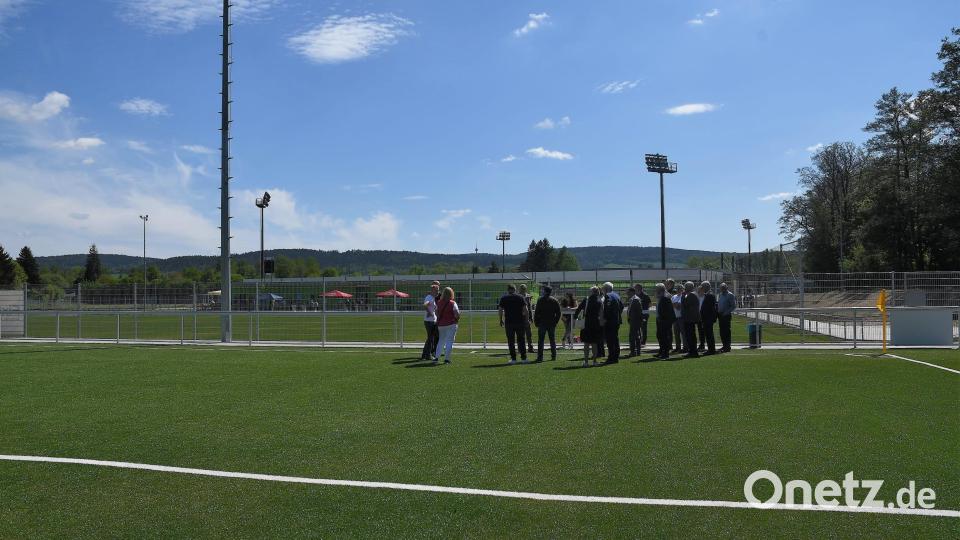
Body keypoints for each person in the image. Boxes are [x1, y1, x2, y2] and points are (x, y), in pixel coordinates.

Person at [498, 284, 529, 364]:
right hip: (520, 322)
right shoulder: (520, 297)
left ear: (508, 290)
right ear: (515, 289)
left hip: (509, 322)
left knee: (511, 341)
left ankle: (513, 359)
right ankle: (524, 358)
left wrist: (501, 320)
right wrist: (526, 320)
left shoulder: (504, 298)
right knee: (521, 340)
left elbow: (500, 310)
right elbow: (526, 310)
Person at [574, 286, 603, 366]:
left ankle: (586, 362)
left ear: (591, 292)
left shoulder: (586, 299)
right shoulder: (600, 300)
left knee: (586, 343)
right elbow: (601, 313)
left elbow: (578, 309)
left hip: (586, 323)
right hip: (596, 323)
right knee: (594, 343)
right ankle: (594, 361)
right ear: (597, 292)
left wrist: (575, 318)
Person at [533, 285, 562, 362]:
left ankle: (540, 357)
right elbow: (558, 313)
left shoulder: (540, 300)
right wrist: (555, 321)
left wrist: (536, 322)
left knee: (541, 341)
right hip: (551, 323)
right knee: (552, 340)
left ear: (545, 291)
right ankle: (553, 356)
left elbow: (536, 313)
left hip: (542, 323)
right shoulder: (554, 301)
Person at [434, 287, 460, 364]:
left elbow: (436, 313)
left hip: (441, 324)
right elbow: (456, 314)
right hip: (451, 324)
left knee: (441, 341)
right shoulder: (453, 303)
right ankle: (446, 359)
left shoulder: (439, 302)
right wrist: (457, 318)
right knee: (449, 342)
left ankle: (436, 357)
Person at [601, 282, 622, 364]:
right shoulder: (617, 295)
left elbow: (607, 309)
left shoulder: (608, 296)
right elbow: (621, 306)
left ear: (606, 289)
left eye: (603, 289)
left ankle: (611, 357)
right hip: (617, 320)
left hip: (610, 322)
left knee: (610, 340)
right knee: (615, 339)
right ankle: (616, 357)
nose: (602, 290)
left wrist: (605, 318)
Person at [654, 283, 676, 359]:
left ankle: (665, 353)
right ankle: (661, 351)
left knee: (664, 337)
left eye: (656, 288)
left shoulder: (665, 297)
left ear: (660, 289)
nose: (655, 290)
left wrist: (663, 319)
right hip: (660, 319)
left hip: (665, 320)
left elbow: (667, 311)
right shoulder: (660, 297)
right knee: (660, 336)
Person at [681, 281, 702, 358]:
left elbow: (685, 304)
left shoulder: (691, 295)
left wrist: (683, 295)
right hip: (689, 318)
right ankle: (691, 351)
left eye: (685, 287)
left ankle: (693, 351)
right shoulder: (692, 294)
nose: (684, 289)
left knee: (690, 336)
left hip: (690, 319)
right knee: (690, 335)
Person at [420, 282, 440, 361]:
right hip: (429, 321)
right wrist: (430, 313)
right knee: (431, 339)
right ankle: (427, 355)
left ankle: (425, 355)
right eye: (436, 290)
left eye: (438, 290)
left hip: (431, 320)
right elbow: (425, 305)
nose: (438, 292)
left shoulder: (432, 297)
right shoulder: (429, 297)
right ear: (432, 290)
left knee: (430, 338)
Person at [699, 281, 718, 355]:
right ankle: (711, 349)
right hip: (707, 318)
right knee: (708, 334)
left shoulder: (709, 295)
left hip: (708, 318)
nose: (701, 288)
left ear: (705, 287)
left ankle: (711, 349)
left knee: (709, 334)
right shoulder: (708, 295)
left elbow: (708, 309)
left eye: (702, 287)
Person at [717, 282, 736, 353]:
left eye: (723, 288)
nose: (722, 289)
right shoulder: (720, 295)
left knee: (727, 332)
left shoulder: (730, 295)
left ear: (726, 288)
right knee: (722, 331)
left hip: (726, 316)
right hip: (720, 315)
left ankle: (727, 346)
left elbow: (733, 306)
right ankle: (724, 345)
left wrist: (725, 313)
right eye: (721, 288)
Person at [626, 287, 643, 357]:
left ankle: (634, 352)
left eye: (628, 292)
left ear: (632, 292)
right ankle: (636, 351)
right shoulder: (632, 299)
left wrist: (638, 321)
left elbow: (639, 311)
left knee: (633, 337)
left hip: (635, 321)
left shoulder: (635, 299)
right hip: (633, 321)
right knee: (636, 336)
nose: (627, 294)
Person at [518, 284, 535, 354]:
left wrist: (531, 317)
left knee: (529, 334)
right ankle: (520, 349)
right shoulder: (518, 296)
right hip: (520, 318)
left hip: (527, 317)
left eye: (524, 289)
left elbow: (530, 307)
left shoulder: (528, 296)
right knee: (520, 334)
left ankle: (530, 348)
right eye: (522, 289)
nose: (523, 290)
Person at [634, 283, 652, 348]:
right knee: (637, 328)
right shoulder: (635, 295)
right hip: (637, 314)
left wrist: (645, 309)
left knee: (643, 328)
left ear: (639, 288)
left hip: (644, 314)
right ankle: (638, 340)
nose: (635, 289)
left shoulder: (645, 295)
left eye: (636, 288)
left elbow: (650, 304)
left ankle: (643, 341)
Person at [669, 279, 684, 353]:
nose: (678, 290)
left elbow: (678, 306)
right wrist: (674, 305)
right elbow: (672, 305)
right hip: (675, 317)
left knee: (683, 333)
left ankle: (685, 347)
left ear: (682, 289)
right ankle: (678, 347)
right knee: (676, 334)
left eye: (680, 289)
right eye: (677, 289)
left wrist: (673, 304)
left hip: (681, 317)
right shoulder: (674, 296)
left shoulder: (683, 296)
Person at [696, 284, 706, 352]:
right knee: (700, 331)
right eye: (698, 290)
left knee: (704, 331)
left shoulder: (706, 297)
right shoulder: (697, 297)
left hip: (704, 316)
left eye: (700, 290)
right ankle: (701, 344)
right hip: (698, 316)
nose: (699, 292)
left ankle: (703, 344)